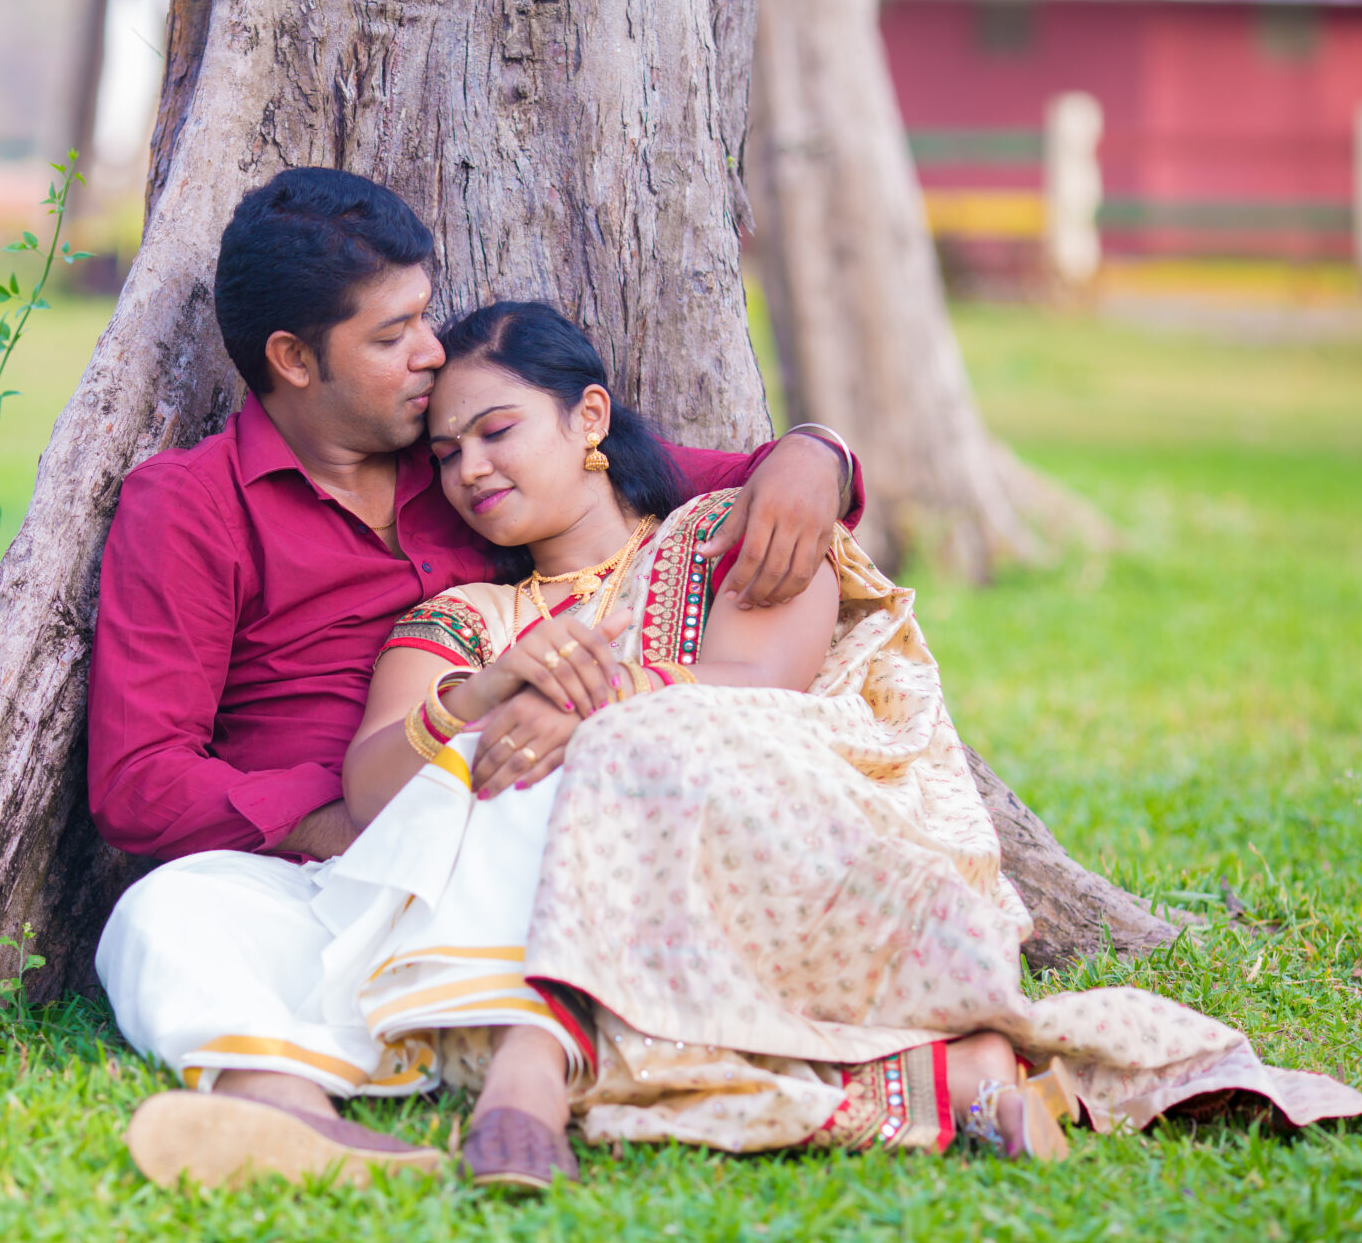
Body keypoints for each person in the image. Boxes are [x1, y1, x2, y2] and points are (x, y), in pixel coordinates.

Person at [303, 299, 1362, 1187]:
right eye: (445, 453)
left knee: (639, 742)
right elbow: (375, 788)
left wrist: (590, 704)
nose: (469, 468)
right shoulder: (467, 620)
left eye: (495, 430)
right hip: (581, 907)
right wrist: (491, 690)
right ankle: (961, 1081)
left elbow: (760, 698)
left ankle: (540, 1065)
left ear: (588, 416)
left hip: (774, 858)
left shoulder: (732, 532)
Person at [88, 168, 862, 1188]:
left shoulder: (468, 455)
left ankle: (522, 1084)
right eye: (392, 334)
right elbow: (139, 780)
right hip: (325, 857)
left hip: (502, 815)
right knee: (161, 914)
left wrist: (817, 453)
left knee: (529, 779)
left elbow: (708, 480)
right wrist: (350, 816)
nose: (429, 353)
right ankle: (290, 1114)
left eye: (425, 316)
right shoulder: (193, 505)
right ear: (294, 359)